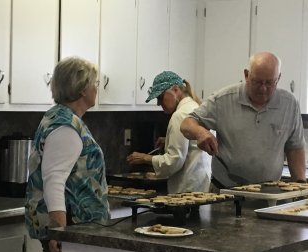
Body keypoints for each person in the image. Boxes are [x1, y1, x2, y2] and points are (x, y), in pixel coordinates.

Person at [25, 57, 110, 252]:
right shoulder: (65, 127)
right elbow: (54, 181)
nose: (96, 89)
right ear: (82, 89)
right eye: (95, 83)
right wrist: (59, 232)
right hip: (72, 225)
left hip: (77, 227)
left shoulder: (62, 118)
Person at [180, 51, 306, 190]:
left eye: (270, 82)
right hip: (226, 191)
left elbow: (295, 148)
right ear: (246, 75)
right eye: (258, 82)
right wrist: (200, 133)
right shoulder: (223, 99)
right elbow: (187, 123)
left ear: (279, 78)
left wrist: (300, 186)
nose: (263, 88)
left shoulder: (289, 104)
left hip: (269, 192)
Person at [127, 71, 211, 193]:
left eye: (160, 97)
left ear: (176, 90)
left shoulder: (180, 115)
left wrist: (146, 158)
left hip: (185, 190)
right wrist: (169, 140)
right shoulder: (196, 107)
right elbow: (193, 145)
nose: (158, 103)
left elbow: (174, 161)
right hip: (201, 185)